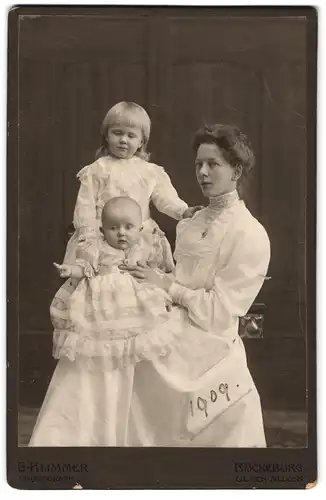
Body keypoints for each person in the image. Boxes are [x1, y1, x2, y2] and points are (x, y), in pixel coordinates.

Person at [120, 124, 271, 447]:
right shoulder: (193, 220)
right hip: (172, 320)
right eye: (198, 164)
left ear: (237, 170)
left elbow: (219, 314)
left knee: (136, 356)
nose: (202, 172)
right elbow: (178, 277)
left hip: (207, 341)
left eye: (213, 164)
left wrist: (167, 286)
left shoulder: (250, 234)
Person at [29, 197, 181, 446]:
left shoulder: (146, 246)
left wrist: (157, 282)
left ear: (139, 228)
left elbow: (159, 271)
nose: (121, 233)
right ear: (102, 230)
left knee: (139, 359)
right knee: (97, 362)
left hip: (135, 312)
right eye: (113, 228)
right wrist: (71, 271)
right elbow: (85, 268)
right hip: (101, 312)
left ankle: (138, 423)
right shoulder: (96, 248)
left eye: (128, 227)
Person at [63, 101, 199, 274]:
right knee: (103, 283)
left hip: (138, 236)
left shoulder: (149, 171)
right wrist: (89, 233)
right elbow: (85, 205)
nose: (123, 140)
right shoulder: (97, 170)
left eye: (131, 136)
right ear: (106, 135)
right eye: (117, 133)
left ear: (142, 140)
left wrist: (183, 211)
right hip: (105, 236)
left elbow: (165, 198)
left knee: (139, 283)